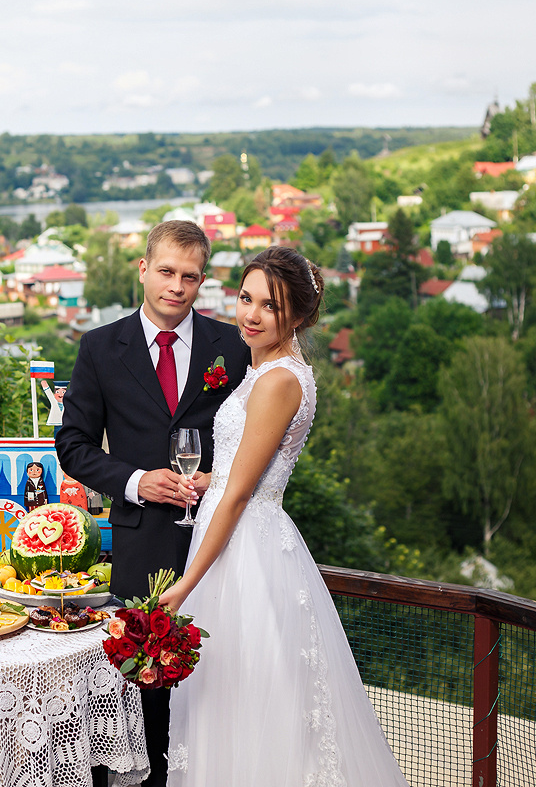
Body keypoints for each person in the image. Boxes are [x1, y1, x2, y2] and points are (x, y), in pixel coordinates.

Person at [159, 247, 408, 786]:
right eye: (245, 298)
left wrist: (184, 585)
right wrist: (207, 480)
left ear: (296, 315)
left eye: (268, 306)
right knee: (230, 697)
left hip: (245, 548)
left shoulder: (278, 381)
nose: (250, 315)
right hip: (240, 534)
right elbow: (242, 474)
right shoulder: (269, 371)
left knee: (250, 700)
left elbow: (242, 496)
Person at [56, 219, 250, 787]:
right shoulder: (98, 347)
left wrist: (216, 479)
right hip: (142, 548)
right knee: (148, 700)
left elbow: (254, 442)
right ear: (143, 269)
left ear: (203, 281)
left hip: (221, 541)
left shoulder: (232, 348)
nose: (177, 286)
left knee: (224, 680)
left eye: (190, 277)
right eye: (166, 271)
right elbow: (73, 446)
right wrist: (138, 480)